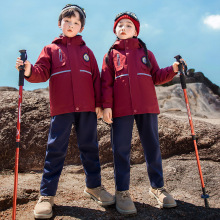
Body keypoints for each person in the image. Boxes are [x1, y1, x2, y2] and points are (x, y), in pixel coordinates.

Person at [16, 4, 115, 219]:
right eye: (67, 21)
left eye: (76, 22)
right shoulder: (50, 49)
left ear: (82, 27)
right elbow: (41, 72)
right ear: (59, 24)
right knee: (55, 150)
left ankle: (94, 187)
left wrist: (99, 103)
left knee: (90, 148)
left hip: (87, 109)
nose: (71, 25)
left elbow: (96, 80)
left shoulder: (88, 52)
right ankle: (46, 195)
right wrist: (29, 70)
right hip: (61, 109)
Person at [101, 11, 186, 215]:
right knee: (120, 150)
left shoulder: (147, 54)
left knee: (152, 146)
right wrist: (106, 106)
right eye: (120, 25)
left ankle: (158, 187)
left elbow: (157, 76)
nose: (123, 28)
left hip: (147, 107)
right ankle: (122, 192)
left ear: (136, 30)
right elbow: (106, 83)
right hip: (121, 110)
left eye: (128, 25)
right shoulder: (110, 55)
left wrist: (174, 68)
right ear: (115, 30)